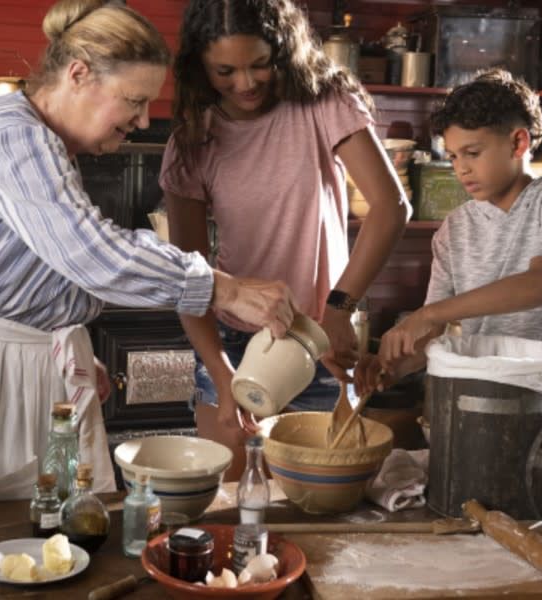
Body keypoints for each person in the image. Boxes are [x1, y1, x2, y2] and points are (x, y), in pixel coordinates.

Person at [0, 1, 299, 599]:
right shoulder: (10, 134)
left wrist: (66, 337)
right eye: (133, 100)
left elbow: (37, 264)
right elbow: (88, 251)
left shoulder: (47, 146)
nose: (142, 118)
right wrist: (224, 287)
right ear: (77, 73)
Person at [159, 0, 411, 478]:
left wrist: (339, 309)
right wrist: (219, 371)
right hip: (230, 344)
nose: (246, 83)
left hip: (321, 341)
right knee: (230, 510)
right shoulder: (193, 140)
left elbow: (391, 207)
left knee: (321, 514)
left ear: (283, 50)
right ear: (199, 67)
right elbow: (189, 276)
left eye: (259, 65)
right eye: (225, 71)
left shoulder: (323, 102)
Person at [356, 69, 542, 407]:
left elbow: (539, 284)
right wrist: (393, 368)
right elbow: (434, 337)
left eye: (472, 153)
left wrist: (427, 315)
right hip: (479, 404)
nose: (461, 169)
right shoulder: (453, 230)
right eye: (453, 156)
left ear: (518, 142)